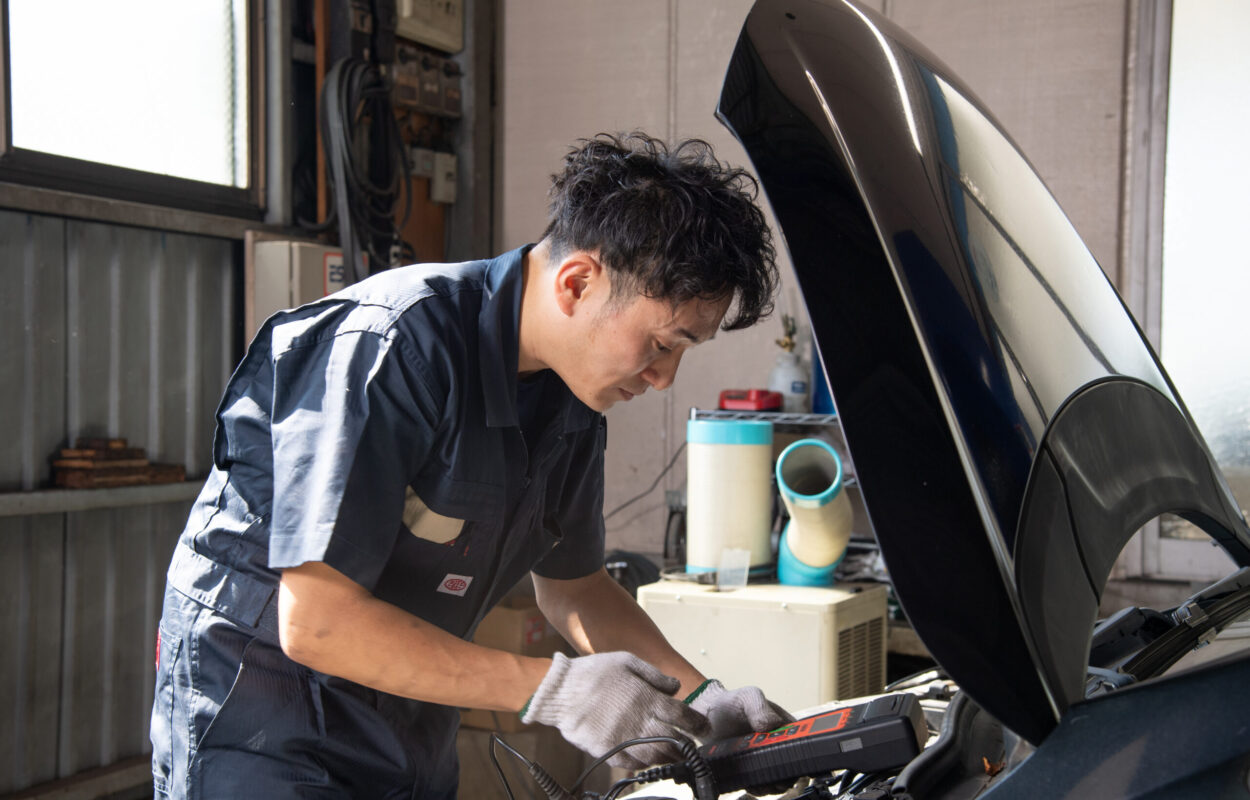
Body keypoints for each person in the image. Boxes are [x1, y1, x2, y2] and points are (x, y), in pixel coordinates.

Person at [150, 132, 787, 798]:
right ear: (577, 283)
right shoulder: (393, 346)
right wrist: (556, 690)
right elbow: (319, 621)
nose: (663, 378)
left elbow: (576, 588)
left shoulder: (571, 402)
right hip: (262, 725)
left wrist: (703, 699)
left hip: (403, 719)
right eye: (661, 344)